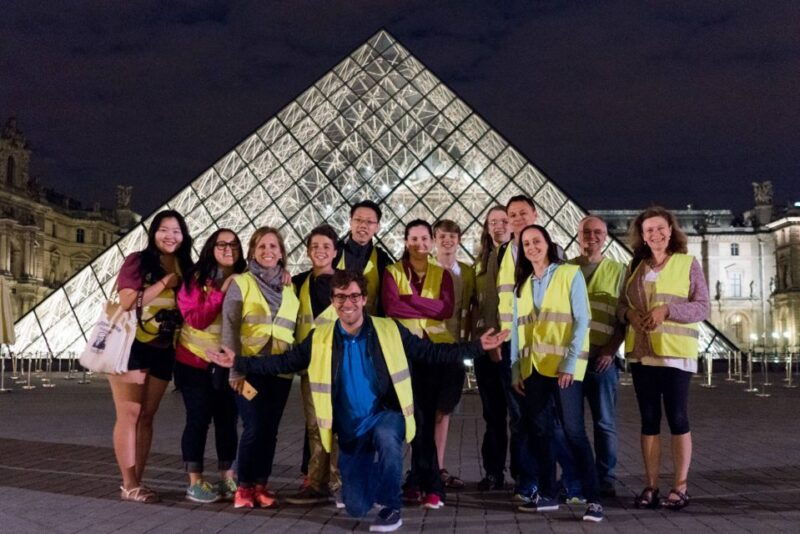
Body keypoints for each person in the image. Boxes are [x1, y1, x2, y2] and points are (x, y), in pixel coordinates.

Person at [208, 270, 508, 533]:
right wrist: (240, 362)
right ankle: (378, 481)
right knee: (356, 506)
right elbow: (284, 361)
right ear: (333, 300)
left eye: (353, 296)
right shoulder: (321, 336)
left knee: (389, 439)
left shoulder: (388, 329)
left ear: (364, 299)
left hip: (384, 413)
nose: (347, 303)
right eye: (340, 297)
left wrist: (477, 347)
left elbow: (433, 353)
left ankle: (392, 508)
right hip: (350, 429)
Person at [510, 224, 604, 522]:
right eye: (526, 244)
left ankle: (594, 499)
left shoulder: (568, 274)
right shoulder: (522, 285)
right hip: (534, 369)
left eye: (536, 241)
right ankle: (548, 494)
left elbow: (582, 320)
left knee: (574, 432)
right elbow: (516, 331)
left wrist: (570, 363)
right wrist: (516, 370)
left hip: (564, 369)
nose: (532, 247)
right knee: (541, 433)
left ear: (548, 244)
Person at [617, 206, 709, 511]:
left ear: (671, 230)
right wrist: (628, 313)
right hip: (642, 354)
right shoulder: (634, 267)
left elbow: (702, 307)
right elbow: (621, 306)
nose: (655, 234)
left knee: (678, 417)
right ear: (641, 236)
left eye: (660, 228)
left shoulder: (687, 263)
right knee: (648, 420)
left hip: (675, 354)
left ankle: (680, 487)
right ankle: (651, 486)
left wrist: (668, 311)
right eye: (648, 230)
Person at [112, 210, 194, 503]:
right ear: (153, 232)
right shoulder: (138, 261)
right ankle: (129, 483)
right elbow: (126, 301)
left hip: (164, 348)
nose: (170, 236)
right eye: (163, 229)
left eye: (176, 231)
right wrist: (163, 283)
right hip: (131, 345)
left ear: (184, 236)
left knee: (147, 416)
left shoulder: (187, 266)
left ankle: (138, 481)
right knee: (130, 414)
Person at [221, 226, 300, 509]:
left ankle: (261, 485)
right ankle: (243, 486)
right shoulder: (241, 283)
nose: (268, 251)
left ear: (281, 253)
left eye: (273, 247)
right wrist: (235, 371)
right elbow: (229, 328)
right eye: (262, 246)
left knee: (270, 430)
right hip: (249, 369)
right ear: (253, 251)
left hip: (279, 372)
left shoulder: (291, 287)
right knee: (253, 427)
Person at [382, 219, 454, 510]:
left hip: (436, 356)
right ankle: (421, 483)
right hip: (405, 353)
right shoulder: (393, 271)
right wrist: (427, 305)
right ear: (405, 240)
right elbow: (391, 306)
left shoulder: (442, 274)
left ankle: (425, 484)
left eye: (425, 239)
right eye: (414, 238)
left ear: (432, 242)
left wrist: (408, 299)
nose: (420, 244)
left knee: (425, 421)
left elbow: (446, 308)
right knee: (412, 421)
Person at [555, 216, 626, 501]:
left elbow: (624, 317)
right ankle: (575, 476)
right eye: (586, 232)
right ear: (578, 234)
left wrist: (611, 348)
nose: (592, 237)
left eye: (597, 232)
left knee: (604, 423)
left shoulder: (619, 271)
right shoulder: (564, 269)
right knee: (569, 426)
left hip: (602, 358)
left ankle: (605, 478)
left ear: (605, 237)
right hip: (571, 360)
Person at [175, 229, 245, 503]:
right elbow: (197, 319)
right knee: (198, 419)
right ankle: (195, 481)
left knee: (228, 421)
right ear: (210, 248)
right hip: (194, 362)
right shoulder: (194, 279)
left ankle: (228, 478)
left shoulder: (246, 278)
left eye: (234, 244)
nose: (228, 249)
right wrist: (220, 291)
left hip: (228, 363)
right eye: (222, 244)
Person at [286, 224, 343, 507]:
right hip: (310, 366)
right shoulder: (296, 282)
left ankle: (338, 482)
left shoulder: (346, 283)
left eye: (326, 246)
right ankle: (316, 481)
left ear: (335, 251)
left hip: (340, 366)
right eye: (315, 246)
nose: (320, 251)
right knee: (314, 426)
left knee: (339, 426)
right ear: (308, 251)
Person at [494, 195, 539, 496]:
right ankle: (525, 478)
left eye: (523, 213)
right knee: (519, 418)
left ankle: (541, 476)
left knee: (542, 418)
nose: (518, 218)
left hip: (539, 348)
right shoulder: (500, 253)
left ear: (535, 215)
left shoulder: (549, 249)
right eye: (513, 214)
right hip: (510, 345)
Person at [431, 219, 476, 490]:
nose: (448, 240)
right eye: (442, 236)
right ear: (435, 239)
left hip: (455, 346)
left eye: (452, 236)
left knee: (445, 410)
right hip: (429, 347)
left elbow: (472, 309)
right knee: (426, 409)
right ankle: (424, 467)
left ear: (459, 239)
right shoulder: (424, 269)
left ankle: (438, 466)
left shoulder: (469, 273)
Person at [472, 206, 512, 491]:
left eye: (503, 220)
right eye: (492, 221)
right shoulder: (480, 262)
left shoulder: (520, 255)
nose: (497, 225)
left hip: (510, 346)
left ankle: (524, 474)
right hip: (485, 347)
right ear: (486, 227)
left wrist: (499, 340)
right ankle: (493, 472)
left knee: (521, 416)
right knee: (493, 415)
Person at [334, 200, 394, 315]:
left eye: (370, 221)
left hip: (369, 327)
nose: (363, 225)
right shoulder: (334, 252)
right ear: (350, 222)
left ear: (377, 227)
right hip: (335, 326)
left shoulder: (382, 259)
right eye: (358, 220)